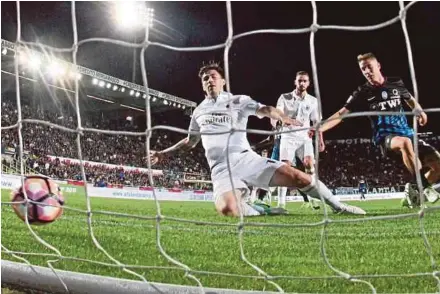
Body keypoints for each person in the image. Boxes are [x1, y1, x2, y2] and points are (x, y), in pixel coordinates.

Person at [150, 62, 366, 217]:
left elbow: (265, 109)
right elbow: (190, 141)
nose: (209, 80)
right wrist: (162, 153)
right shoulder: (198, 111)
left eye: (213, 76)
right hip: (220, 170)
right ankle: (260, 209)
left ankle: (340, 207)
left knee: (300, 177)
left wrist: (282, 117)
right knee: (228, 210)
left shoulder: (238, 100)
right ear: (202, 85)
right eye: (205, 79)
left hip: (246, 160)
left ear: (223, 80)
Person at [313, 53, 440, 208]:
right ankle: (424, 188)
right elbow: (341, 114)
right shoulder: (362, 92)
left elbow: (410, 100)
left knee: (438, 165)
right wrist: (321, 128)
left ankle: (412, 191)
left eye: (369, 67)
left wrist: (420, 111)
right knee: (405, 142)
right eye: (363, 69)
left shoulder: (396, 83)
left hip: (408, 133)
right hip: (386, 137)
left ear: (378, 66)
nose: (366, 71)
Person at [275, 71, 324, 209]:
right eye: (299, 81)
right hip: (288, 136)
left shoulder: (313, 101)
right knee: (285, 168)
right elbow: (278, 114)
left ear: (308, 83)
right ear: (295, 82)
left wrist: (320, 140)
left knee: (309, 164)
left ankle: (312, 198)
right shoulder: (284, 97)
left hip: (305, 137)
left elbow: (316, 122)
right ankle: (281, 204)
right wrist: (284, 121)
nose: (302, 83)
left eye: (305, 81)